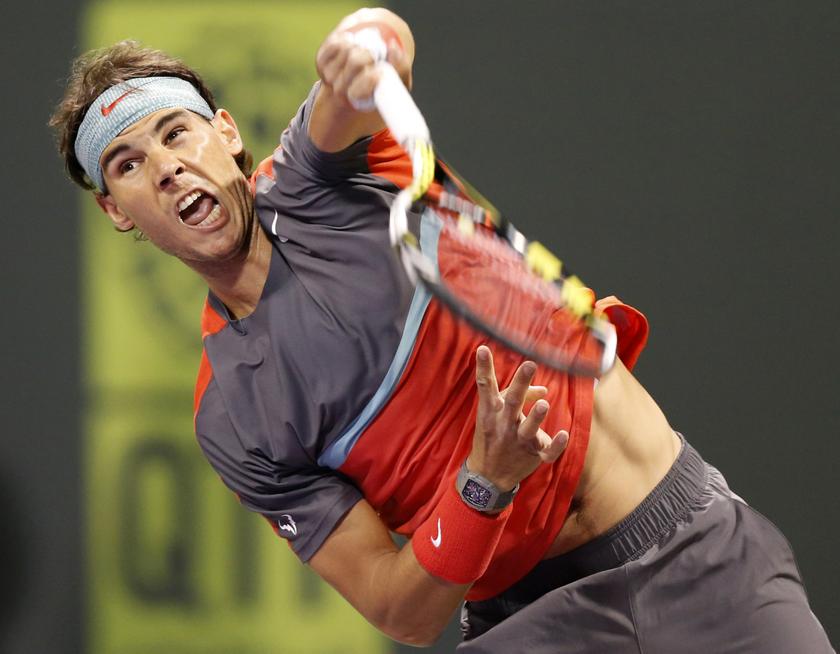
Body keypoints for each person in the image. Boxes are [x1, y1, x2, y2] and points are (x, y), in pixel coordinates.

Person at [51, 8, 834, 653]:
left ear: (225, 132)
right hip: (531, 627)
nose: (165, 168)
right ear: (116, 211)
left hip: (696, 554)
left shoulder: (325, 174)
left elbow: (370, 56)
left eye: (176, 134)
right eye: (126, 164)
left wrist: (367, 43)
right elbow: (404, 613)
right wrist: (483, 483)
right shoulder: (233, 415)